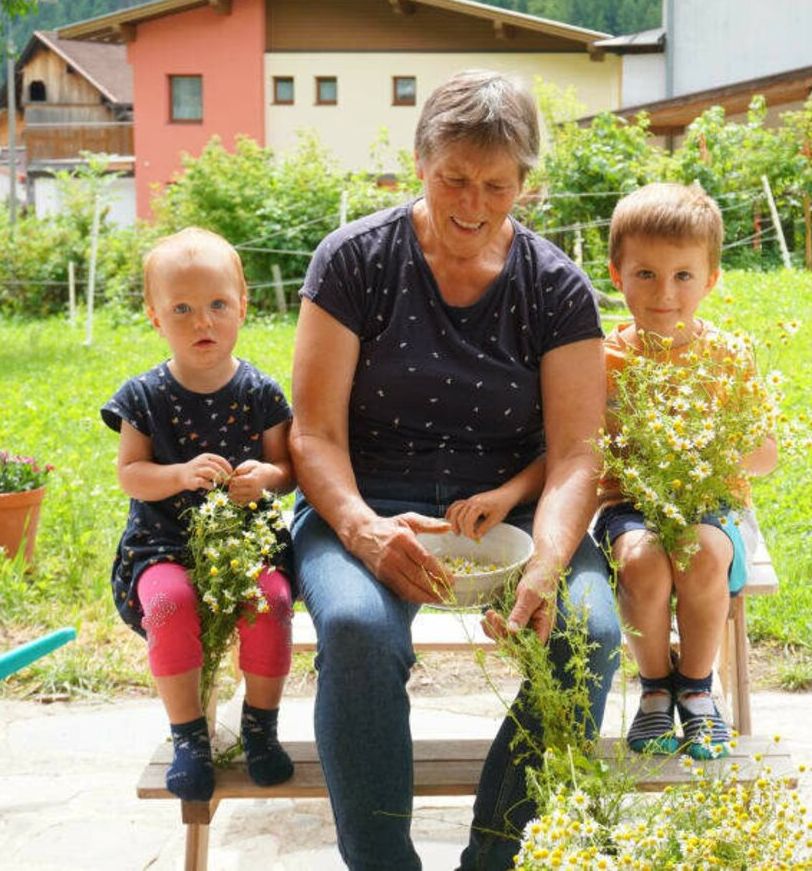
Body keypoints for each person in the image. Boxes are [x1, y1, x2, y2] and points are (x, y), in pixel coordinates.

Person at [289, 69, 620, 870]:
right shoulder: (354, 261)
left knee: (590, 634)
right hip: (366, 501)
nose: (473, 204)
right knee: (357, 629)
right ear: (420, 164)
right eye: (454, 180)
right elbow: (314, 433)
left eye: (497, 186)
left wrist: (544, 563)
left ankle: (496, 856)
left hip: (505, 514)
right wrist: (363, 531)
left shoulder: (555, 287)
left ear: (525, 184)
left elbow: (578, 450)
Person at [101, 227, 296, 802]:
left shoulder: (261, 391)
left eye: (216, 305)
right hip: (162, 544)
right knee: (169, 602)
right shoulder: (144, 396)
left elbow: (286, 467)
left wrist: (266, 478)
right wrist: (180, 474)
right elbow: (130, 473)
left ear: (243, 306)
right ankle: (189, 736)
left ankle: (261, 727)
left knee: (272, 602)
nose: (201, 322)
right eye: (181, 309)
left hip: (246, 544)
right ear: (155, 317)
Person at [594, 182, 779, 760]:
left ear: (712, 280)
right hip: (628, 505)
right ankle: (654, 688)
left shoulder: (728, 355)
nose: (664, 293)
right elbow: (585, 450)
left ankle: (697, 689)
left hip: (712, 503)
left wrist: (705, 457)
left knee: (700, 551)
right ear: (616, 274)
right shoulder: (603, 357)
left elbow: (764, 453)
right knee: (645, 559)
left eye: (683, 276)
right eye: (645, 274)